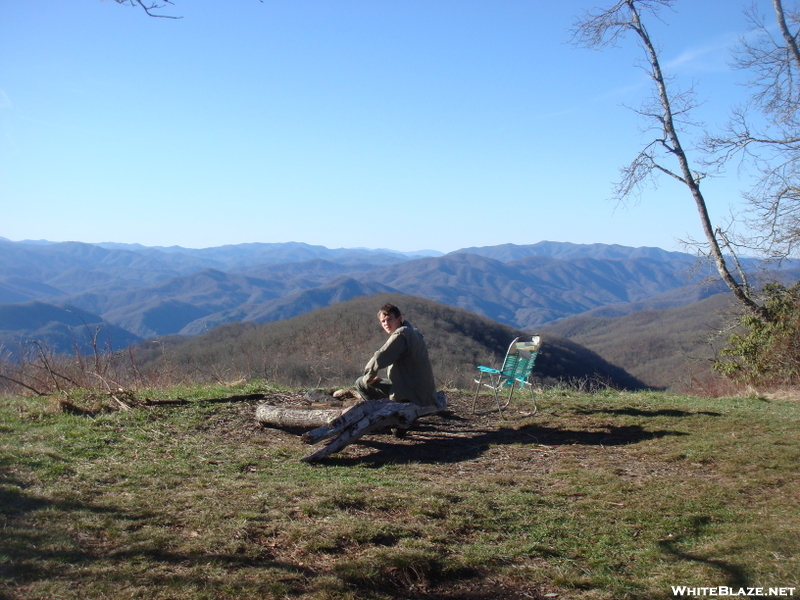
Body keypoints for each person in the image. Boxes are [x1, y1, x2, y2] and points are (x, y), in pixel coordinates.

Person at [354, 303, 438, 408]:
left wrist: (369, 378)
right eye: (383, 321)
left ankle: (381, 412)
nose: (386, 323)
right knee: (381, 381)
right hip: (425, 393)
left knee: (360, 383)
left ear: (399, 319)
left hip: (411, 394)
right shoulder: (414, 332)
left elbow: (379, 358)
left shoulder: (401, 334)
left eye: (389, 319)